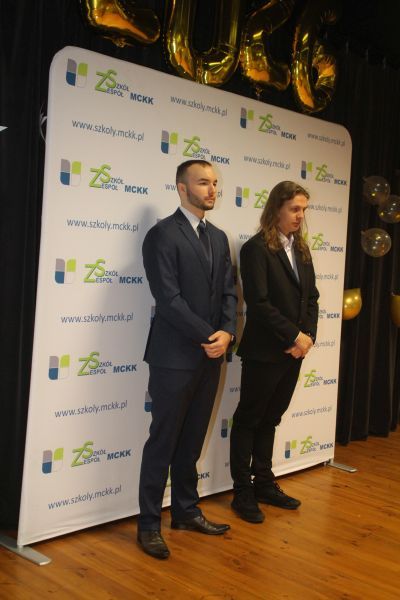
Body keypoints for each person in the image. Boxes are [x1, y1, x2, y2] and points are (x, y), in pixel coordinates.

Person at [137, 159, 237, 559]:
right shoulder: (162, 235)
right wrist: (210, 337)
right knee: (162, 442)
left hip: (211, 357)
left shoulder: (219, 237)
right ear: (182, 188)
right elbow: (168, 299)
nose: (212, 190)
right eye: (202, 183)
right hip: (173, 357)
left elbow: (229, 292)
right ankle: (148, 525)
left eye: (214, 183)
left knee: (192, 439)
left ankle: (185, 511)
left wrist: (227, 333)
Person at [230, 181, 319, 523]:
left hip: (294, 352)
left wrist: (307, 337)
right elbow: (259, 303)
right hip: (264, 351)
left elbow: (311, 298)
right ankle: (242, 492)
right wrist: (294, 335)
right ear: (276, 209)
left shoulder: (302, 249)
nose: (300, 216)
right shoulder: (256, 249)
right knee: (249, 419)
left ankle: (264, 484)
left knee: (271, 419)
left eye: (303, 210)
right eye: (294, 209)